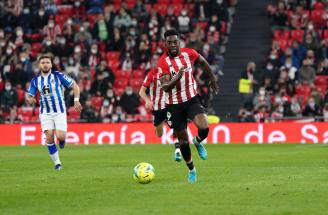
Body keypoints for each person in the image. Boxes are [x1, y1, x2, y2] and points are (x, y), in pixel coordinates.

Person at [158, 29, 218, 183]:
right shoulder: (163, 62)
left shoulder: (189, 53)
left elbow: (203, 62)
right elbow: (165, 87)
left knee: (204, 127)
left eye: (175, 42)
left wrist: (212, 78)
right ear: (165, 44)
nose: (172, 45)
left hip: (191, 99)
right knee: (183, 142)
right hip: (174, 106)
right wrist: (177, 77)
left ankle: (198, 141)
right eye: (169, 42)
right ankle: (192, 170)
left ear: (179, 42)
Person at [25, 55, 82, 171]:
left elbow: (75, 86)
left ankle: (62, 140)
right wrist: (30, 99)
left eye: (47, 62)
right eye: (43, 63)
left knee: (60, 136)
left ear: (51, 65)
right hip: (45, 112)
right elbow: (29, 95)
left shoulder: (58, 76)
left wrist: (76, 101)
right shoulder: (35, 81)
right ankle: (57, 163)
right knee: (49, 136)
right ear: (39, 65)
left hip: (59, 111)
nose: (45, 64)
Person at [139, 68, 182, 162]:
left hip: (170, 105)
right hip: (157, 108)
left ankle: (178, 150)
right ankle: (157, 125)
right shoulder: (152, 73)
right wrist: (147, 100)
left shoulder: (172, 71)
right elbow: (141, 92)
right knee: (159, 134)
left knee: (176, 125)